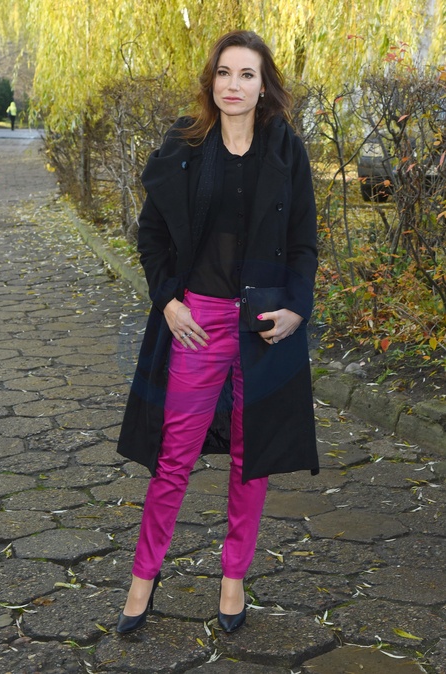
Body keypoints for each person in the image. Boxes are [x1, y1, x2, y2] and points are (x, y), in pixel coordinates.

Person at [116, 29, 319, 635]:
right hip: (197, 323)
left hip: (261, 325)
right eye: (225, 73)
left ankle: (234, 579)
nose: (234, 85)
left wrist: (297, 308)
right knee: (173, 456)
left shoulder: (285, 149)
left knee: (251, 460)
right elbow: (151, 234)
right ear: (212, 81)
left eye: (247, 74)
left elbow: (304, 242)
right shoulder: (185, 143)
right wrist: (168, 302)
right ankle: (142, 577)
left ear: (264, 86)